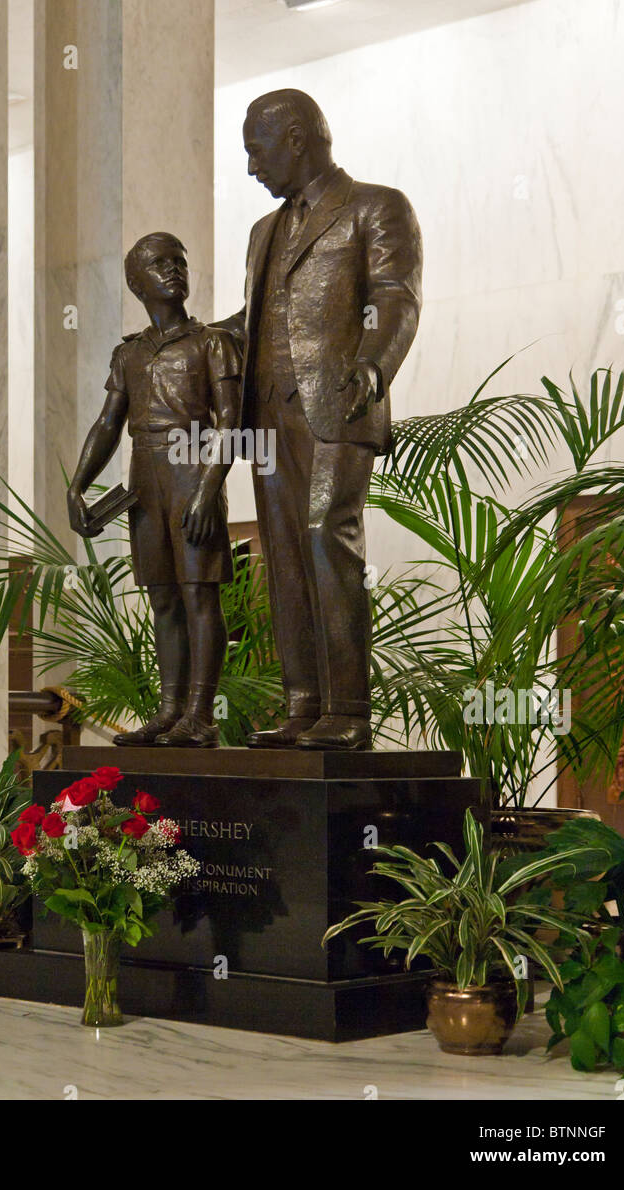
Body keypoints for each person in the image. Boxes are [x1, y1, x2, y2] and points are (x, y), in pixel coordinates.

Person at [215, 89, 422, 751]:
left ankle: (349, 711)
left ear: (296, 138)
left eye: (256, 150)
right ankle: (304, 703)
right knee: (282, 556)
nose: (251, 168)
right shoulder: (263, 233)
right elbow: (255, 323)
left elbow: (396, 296)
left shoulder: (375, 207)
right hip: (267, 415)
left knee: (327, 538)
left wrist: (373, 365)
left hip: (338, 403)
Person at [67, 232, 240, 747]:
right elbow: (106, 424)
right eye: (160, 264)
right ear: (136, 283)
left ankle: (200, 716)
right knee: (163, 597)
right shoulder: (129, 355)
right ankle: (169, 711)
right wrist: (78, 486)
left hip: (193, 468)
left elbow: (231, 421)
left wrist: (210, 487)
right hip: (145, 476)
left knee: (197, 593)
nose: (174, 270)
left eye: (179, 262)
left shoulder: (212, 342)